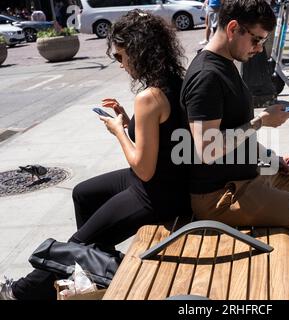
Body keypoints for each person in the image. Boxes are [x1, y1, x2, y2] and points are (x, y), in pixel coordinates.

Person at [0, 9, 191, 300]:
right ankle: (94, 268)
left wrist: (117, 131)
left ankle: (19, 292)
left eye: (120, 56)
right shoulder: (175, 82)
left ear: (139, 52)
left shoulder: (149, 97)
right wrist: (128, 121)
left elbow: (144, 169)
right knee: (83, 193)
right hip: (167, 183)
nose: (120, 64)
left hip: (155, 195)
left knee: (76, 243)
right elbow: (161, 141)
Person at [180, 0, 289, 260]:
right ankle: (263, 271)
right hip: (223, 195)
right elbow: (207, 149)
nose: (259, 48)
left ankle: (271, 251)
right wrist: (261, 121)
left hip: (250, 173)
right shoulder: (207, 77)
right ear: (233, 28)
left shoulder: (227, 61)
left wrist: (272, 159)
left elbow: (236, 131)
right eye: (256, 40)